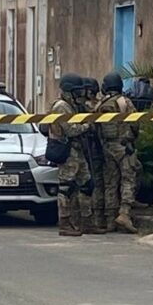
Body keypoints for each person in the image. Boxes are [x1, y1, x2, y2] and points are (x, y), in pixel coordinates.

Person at [48, 74, 105, 236]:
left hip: (77, 151)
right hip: (67, 151)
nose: (80, 95)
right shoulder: (61, 107)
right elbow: (71, 130)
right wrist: (87, 126)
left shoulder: (72, 105)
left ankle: (86, 222)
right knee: (65, 187)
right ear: (68, 91)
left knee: (86, 184)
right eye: (77, 91)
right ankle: (64, 223)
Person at [96, 72, 140, 234]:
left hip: (107, 147)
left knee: (110, 183)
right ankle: (124, 214)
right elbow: (135, 122)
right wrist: (132, 138)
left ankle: (110, 220)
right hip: (124, 146)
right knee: (128, 179)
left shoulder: (100, 104)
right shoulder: (124, 102)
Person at [82, 77, 106, 230]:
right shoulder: (97, 105)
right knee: (95, 182)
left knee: (95, 181)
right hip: (90, 146)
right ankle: (94, 219)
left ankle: (94, 219)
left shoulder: (89, 106)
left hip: (93, 146)